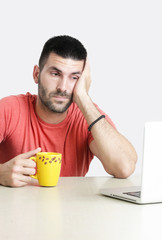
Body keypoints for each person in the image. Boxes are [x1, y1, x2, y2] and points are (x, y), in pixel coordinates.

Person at [0, 35, 137, 187]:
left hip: (71, 210)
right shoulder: (9, 109)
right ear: (36, 74)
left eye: (74, 77)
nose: (63, 87)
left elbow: (124, 168)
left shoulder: (87, 116)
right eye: (55, 74)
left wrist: (83, 97)